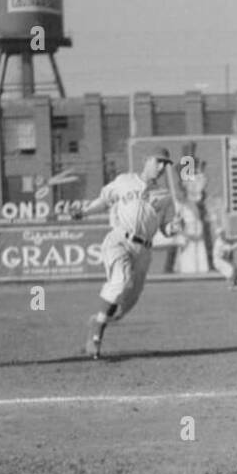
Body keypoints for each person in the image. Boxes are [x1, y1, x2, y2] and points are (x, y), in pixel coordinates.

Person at [71, 147, 184, 359]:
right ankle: (95, 337)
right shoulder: (124, 181)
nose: (161, 167)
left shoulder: (166, 196)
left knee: (127, 303)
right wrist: (84, 211)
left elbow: (166, 229)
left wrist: (174, 228)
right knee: (120, 281)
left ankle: (98, 319)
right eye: (158, 162)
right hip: (119, 240)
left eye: (165, 164)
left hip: (143, 250)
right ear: (146, 160)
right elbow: (104, 200)